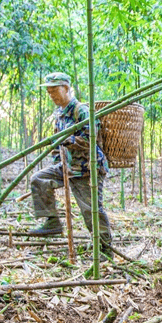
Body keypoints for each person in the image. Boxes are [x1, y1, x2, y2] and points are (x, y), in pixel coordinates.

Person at [28, 72, 112, 257]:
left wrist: (68, 139)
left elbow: (91, 140)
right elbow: (57, 146)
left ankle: (106, 251)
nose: (52, 95)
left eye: (54, 91)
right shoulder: (59, 114)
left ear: (66, 88)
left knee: (91, 211)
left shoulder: (82, 111)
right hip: (67, 165)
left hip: (87, 168)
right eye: (49, 92)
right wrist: (58, 158)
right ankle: (52, 222)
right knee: (39, 179)